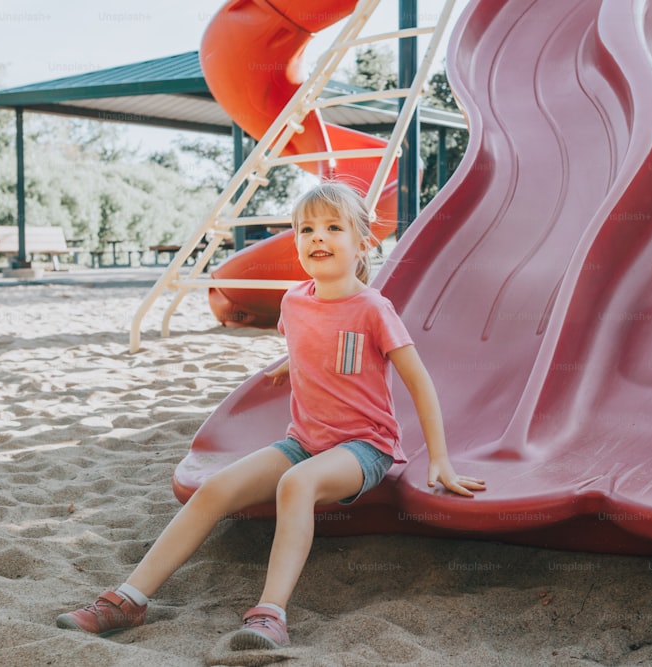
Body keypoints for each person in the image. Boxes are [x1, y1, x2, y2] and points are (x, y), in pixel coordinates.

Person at [56, 181, 486, 650]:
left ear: (363, 241)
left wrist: (439, 458)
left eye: (333, 227)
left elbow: (419, 380)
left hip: (364, 446)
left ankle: (270, 614)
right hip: (303, 441)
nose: (317, 237)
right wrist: (289, 365)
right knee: (214, 487)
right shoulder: (294, 302)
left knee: (295, 484)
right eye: (306, 229)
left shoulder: (373, 309)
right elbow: (313, 342)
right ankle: (128, 600)